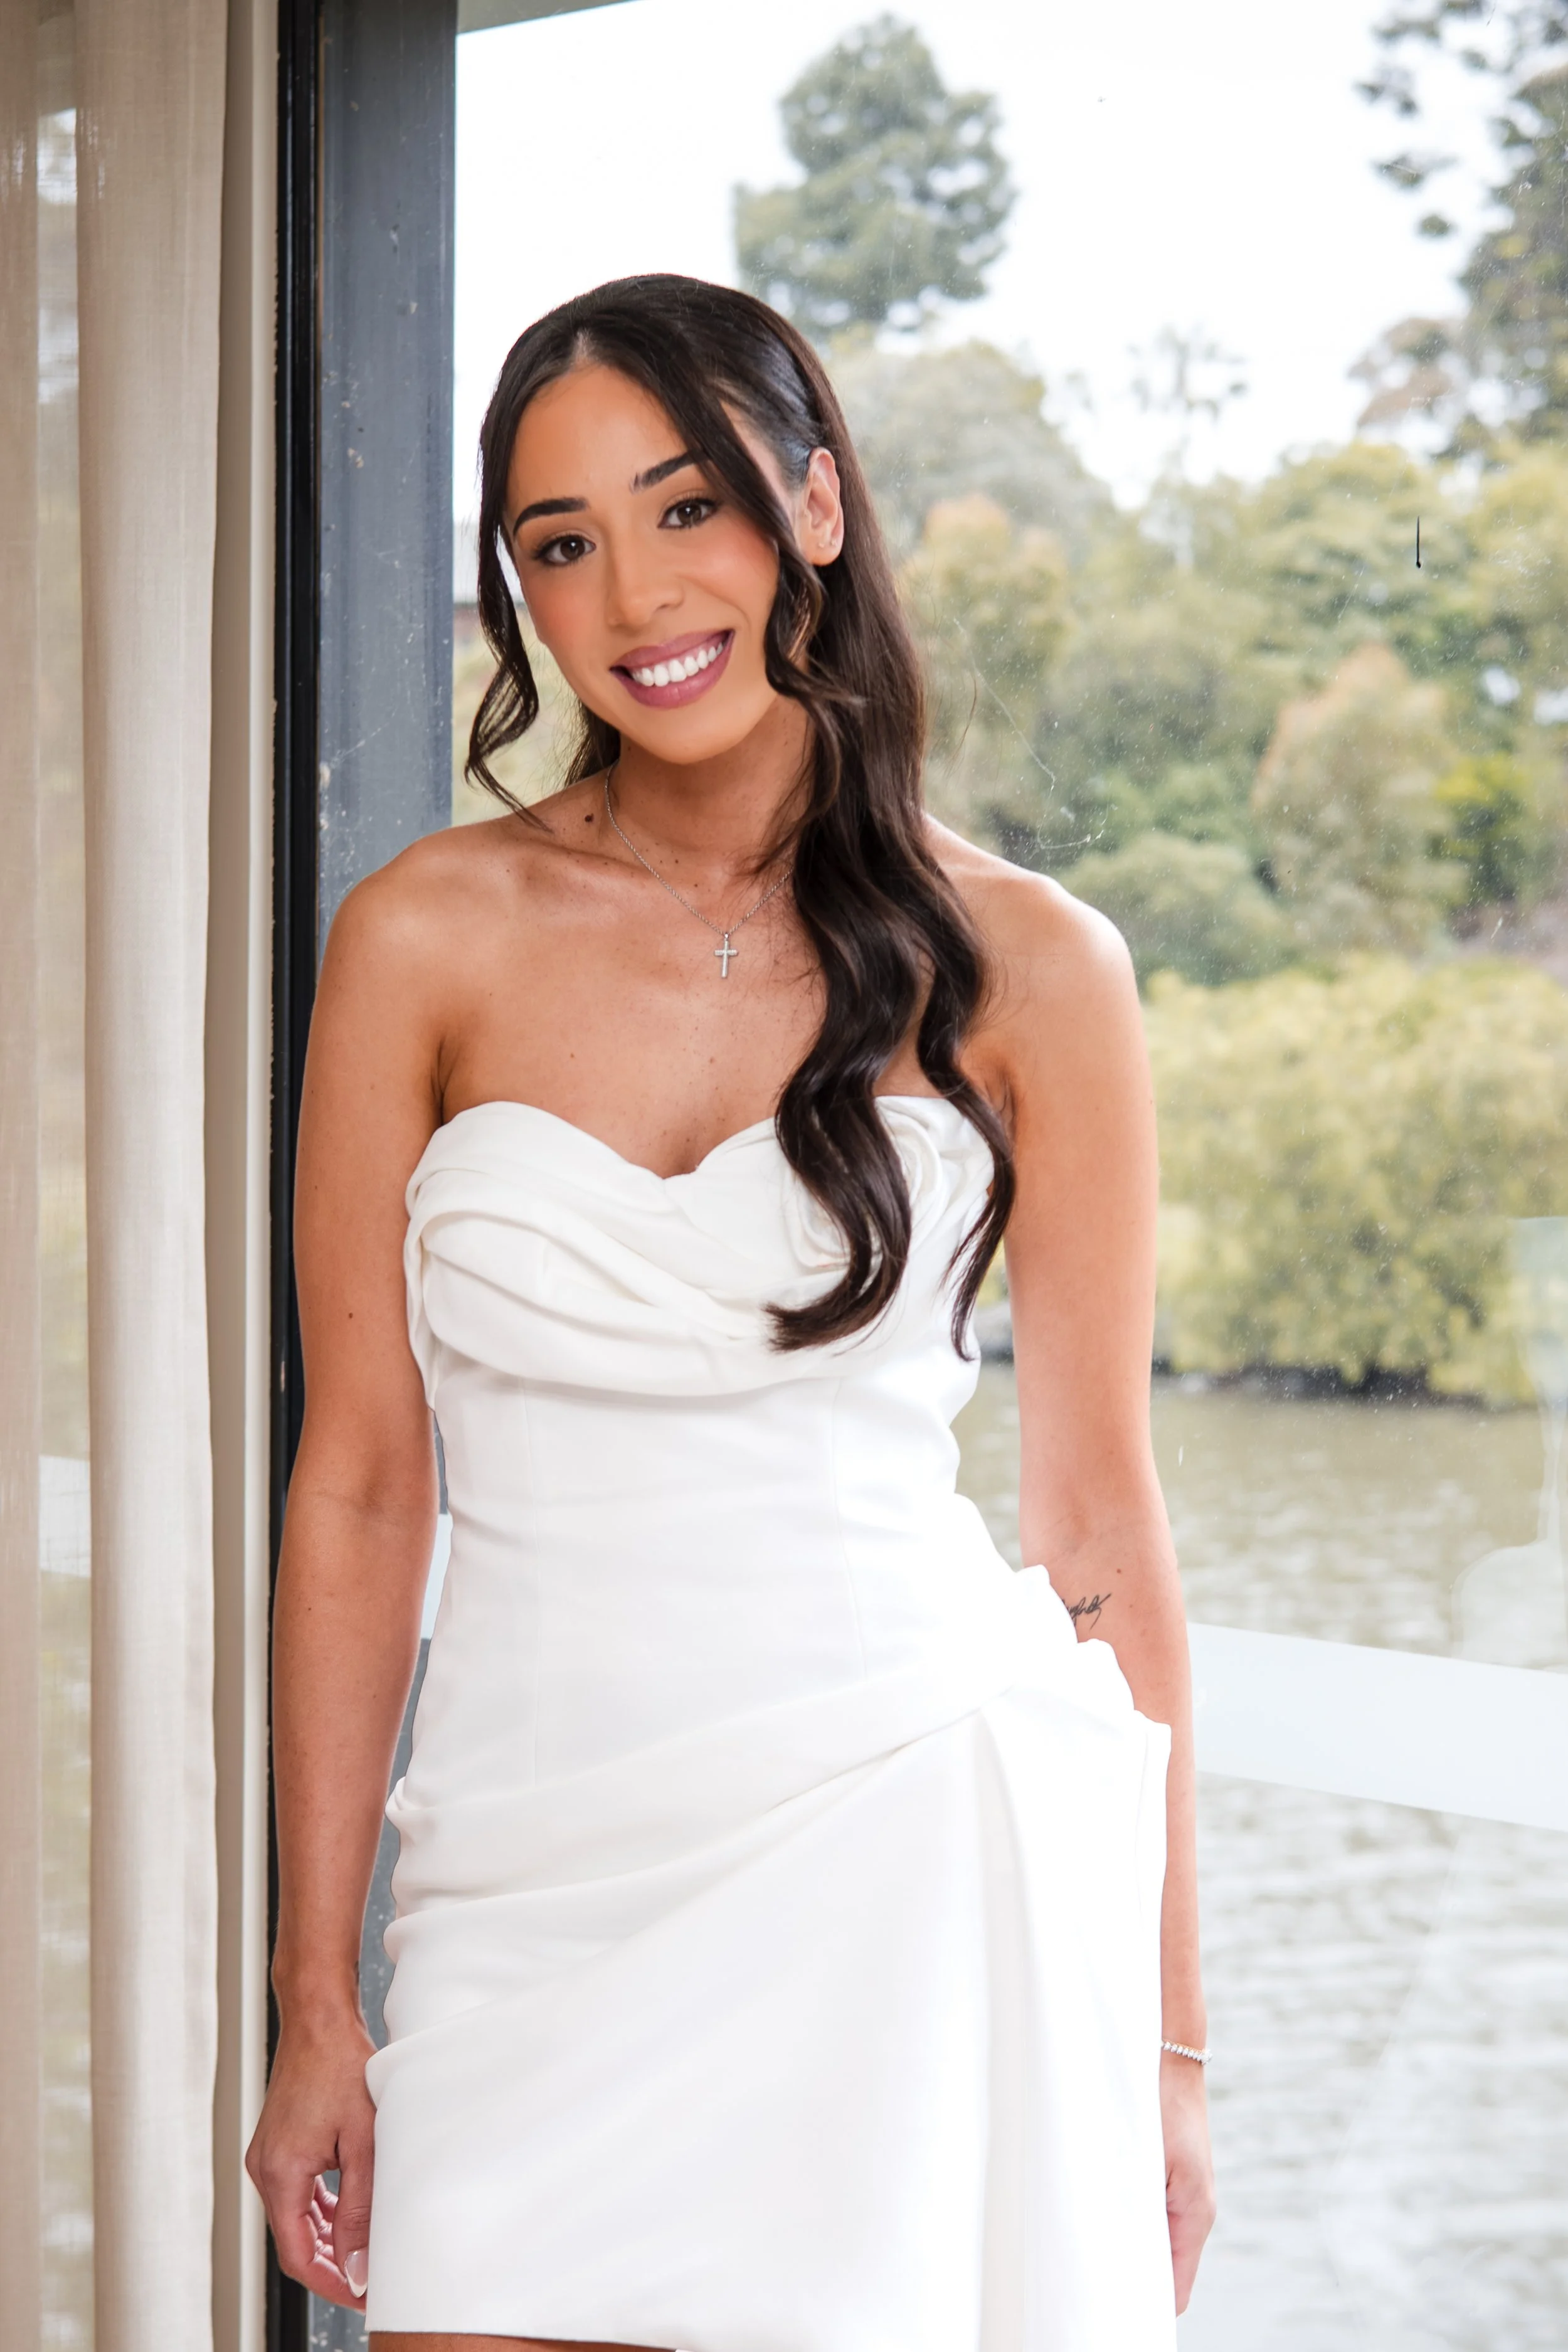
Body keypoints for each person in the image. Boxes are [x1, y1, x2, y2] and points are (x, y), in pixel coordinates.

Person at [246, 273, 1215, 2351]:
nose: (631, 592)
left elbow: (1102, 1537)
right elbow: (357, 1488)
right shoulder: (421, 935)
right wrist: (315, 1997)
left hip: (904, 1835)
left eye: (684, 508)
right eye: (558, 543)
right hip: (526, 1879)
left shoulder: (1037, 967)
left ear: (814, 508)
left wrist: (1165, 2046)